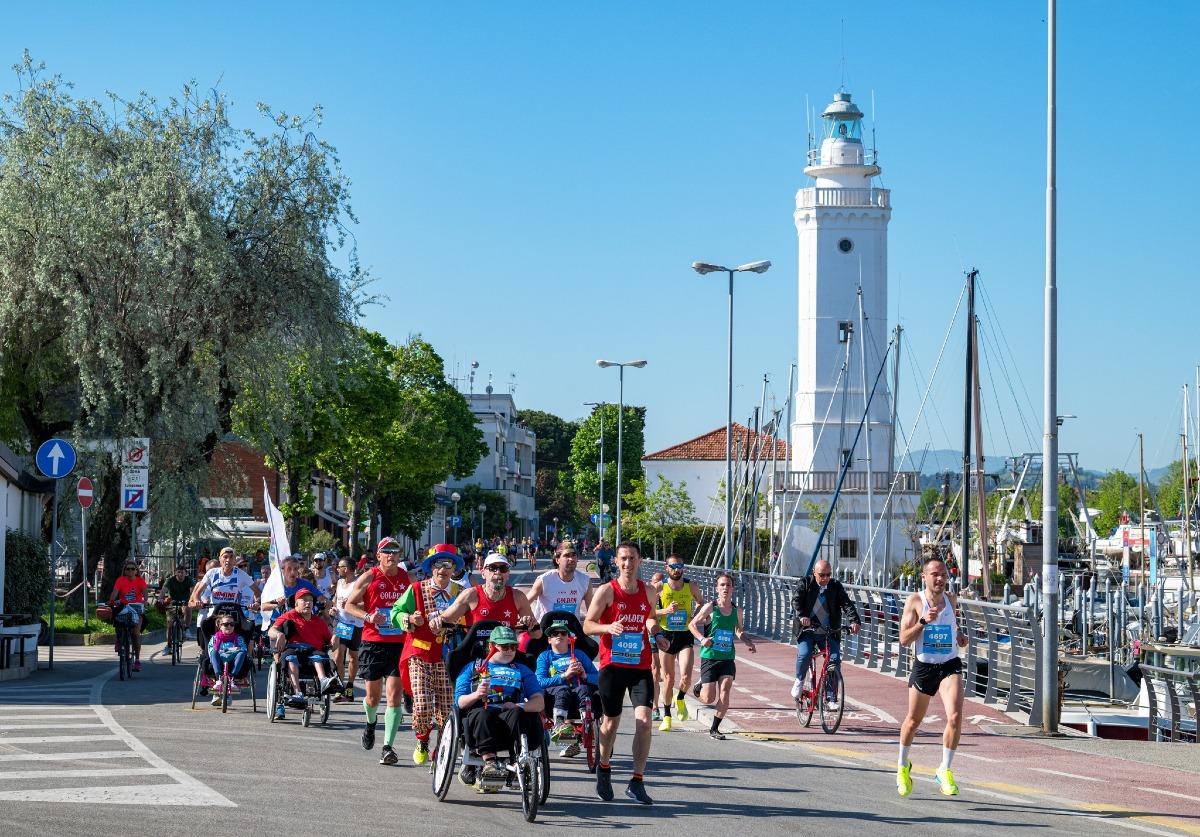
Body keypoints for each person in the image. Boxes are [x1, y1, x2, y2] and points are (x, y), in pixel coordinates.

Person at [583, 541, 671, 805]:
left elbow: (651, 617)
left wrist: (657, 635)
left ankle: (637, 781)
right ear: (616, 561)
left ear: (640, 561)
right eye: (623, 558)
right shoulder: (607, 591)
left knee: (644, 722)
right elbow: (587, 625)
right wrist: (608, 628)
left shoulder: (649, 591)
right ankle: (604, 768)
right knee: (611, 724)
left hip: (640, 666)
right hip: (612, 667)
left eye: (632, 558)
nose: (627, 563)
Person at [896, 557, 968, 797]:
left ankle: (944, 769)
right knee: (912, 722)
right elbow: (904, 639)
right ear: (924, 577)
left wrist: (959, 635)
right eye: (935, 574)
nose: (940, 579)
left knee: (955, 717)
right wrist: (923, 622)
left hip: (949, 665)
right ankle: (902, 766)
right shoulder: (915, 601)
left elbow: (952, 624)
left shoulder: (951, 599)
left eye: (944, 575)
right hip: (925, 668)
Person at [390, 544, 465, 765]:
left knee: (446, 710)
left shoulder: (461, 593)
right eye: (438, 564)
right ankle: (422, 739)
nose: (443, 569)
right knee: (422, 704)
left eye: (448, 564)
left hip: (448, 657)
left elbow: (472, 618)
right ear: (431, 567)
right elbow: (396, 612)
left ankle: (440, 751)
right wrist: (409, 619)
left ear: (454, 568)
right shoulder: (416, 589)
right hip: (419, 654)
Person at [342, 536, 412, 766]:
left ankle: (388, 747)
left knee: (394, 696)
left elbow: (419, 604)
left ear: (399, 556)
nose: (391, 555)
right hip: (373, 642)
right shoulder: (369, 576)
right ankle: (371, 723)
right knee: (372, 699)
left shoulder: (409, 579)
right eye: (386, 552)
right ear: (379, 555)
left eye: (395, 552)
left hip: (399, 643)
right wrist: (369, 616)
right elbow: (349, 605)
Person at [453, 625, 544, 791]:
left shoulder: (521, 669)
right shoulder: (472, 667)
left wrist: (519, 705)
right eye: (504, 646)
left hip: (509, 716)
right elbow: (460, 702)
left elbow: (539, 702)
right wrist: (476, 694)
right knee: (483, 714)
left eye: (513, 647)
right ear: (491, 646)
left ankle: (519, 761)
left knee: (518, 712)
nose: (509, 651)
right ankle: (489, 763)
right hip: (481, 714)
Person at [688, 573, 756, 739]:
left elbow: (738, 630)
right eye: (722, 585)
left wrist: (747, 640)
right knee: (708, 698)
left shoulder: (736, 611)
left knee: (725, 691)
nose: (725, 588)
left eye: (728, 585)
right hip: (710, 657)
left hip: (727, 657)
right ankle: (700, 685)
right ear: (717, 589)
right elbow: (692, 624)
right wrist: (702, 639)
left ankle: (714, 729)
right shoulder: (710, 608)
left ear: (733, 589)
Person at [789, 559, 860, 710]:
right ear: (814, 573)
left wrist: (854, 621)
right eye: (821, 575)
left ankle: (831, 697)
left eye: (828, 575)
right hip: (806, 630)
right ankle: (799, 680)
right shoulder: (805, 583)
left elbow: (847, 604)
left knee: (834, 659)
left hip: (827, 631)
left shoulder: (835, 586)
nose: (825, 578)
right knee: (805, 654)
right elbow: (796, 601)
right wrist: (801, 616)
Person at [429, 554, 541, 640]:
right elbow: (445, 619)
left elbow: (537, 634)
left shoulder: (518, 597)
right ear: (483, 573)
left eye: (503, 568)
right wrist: (437, 622)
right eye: (492, 568)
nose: (498, 572)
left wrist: (532, 625)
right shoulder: (470, 595)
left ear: (507, 574)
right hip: (476, 655)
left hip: (506, 654)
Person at [655, 555, 706, 731]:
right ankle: (667, 716)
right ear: (666, 568)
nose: (676, 569)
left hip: (685, 635)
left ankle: (681, 697)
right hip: (666, 635)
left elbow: (700, 603)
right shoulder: (659, 587)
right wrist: (666, 611)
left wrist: (695, 617)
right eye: (673, 566)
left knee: (686, 677)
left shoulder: (691, 585)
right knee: (668, 679)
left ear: (683, 567)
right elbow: (650, 612)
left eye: (679, 566)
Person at [535, 619, 599, 758]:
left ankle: (588, 724)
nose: (559, 635)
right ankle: (559, 725)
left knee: (584, 689)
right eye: (555, 634)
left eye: (563, 633)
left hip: (577, 694)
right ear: (549, 640)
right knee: (563, 690)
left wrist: (584, 675)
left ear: (569, 639)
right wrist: (565, 675)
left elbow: (598, 678)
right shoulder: (545, 657)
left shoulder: (579, 655)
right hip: (554, 695)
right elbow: (539, 682)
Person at [269, 589, 340, 706]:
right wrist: (279, 634)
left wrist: (334, 638)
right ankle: (297, 692)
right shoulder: (289, 616)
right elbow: (272, 630)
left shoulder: (319, 621)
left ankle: (324, 681)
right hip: (294, 649)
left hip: (312, 651)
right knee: (291, 658)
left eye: (310, 600)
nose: (308, 603)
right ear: (296, 603)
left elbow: (329, 641)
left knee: (318, 657)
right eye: (304, 600)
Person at [190, 546, 257, 633]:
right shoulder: (212, 573)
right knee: (210, 639)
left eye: (231, 557)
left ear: (234, 560)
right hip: (215, 616)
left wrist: (257, 603)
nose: (228, 560)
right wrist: (197, 601)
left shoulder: (241, 574)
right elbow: (197, 593)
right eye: (225, 557)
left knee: (242, 637)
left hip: (233, 616)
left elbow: (258, 592)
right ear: (220, 559)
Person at [526, 542, 593, 620]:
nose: (571, 559)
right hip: (546, 627)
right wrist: (530, 619)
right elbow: (524, 604)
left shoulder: (585, 581)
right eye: (567, 556)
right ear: (557, 560)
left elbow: (592, 612)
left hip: (571, 627)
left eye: (574, 555)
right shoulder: (544, 580)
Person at [331, 557, 363, 703]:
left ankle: (350, 685)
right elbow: (335, 599)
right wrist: (333, 608)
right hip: (342, 623)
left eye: (339, 567)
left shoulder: (358, 583)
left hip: (356, 624)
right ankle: (339, 687)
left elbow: (366, 603)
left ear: (346, 569)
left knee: (353, 657)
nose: (337, 569)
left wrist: (351, 605)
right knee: (338, 656)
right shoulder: (339, 582)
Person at [108, 560, 148, 671]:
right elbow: (114, 593)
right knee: (117, 616)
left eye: (132, 569)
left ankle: (137, 660)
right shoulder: (120, 580)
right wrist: (111, 600)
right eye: (128, 569)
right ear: (124, 571)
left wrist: (145, 601)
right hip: (124, 606)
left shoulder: (140, 581)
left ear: (136, 571)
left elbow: (145, 593)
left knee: (135, 634)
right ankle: (119, 638)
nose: (130, 571)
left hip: (136, 608)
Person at [207, 614, 249, 705]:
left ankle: (232, 680)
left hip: (233, 662)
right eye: (226, 624)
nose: (229, 626)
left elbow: (243, 649)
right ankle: (218, 682)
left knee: (242, 653)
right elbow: (211, 651)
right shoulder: (214, 638)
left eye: (232, 624)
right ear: (220, 626)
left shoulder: (239, 638)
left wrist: (229, 650)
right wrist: (230, 649)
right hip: (218, 662)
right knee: (214, 652)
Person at [159, 564, 195, 640]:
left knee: (188, 609)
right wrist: (161, 599)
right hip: (172, 602)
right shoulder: (170, 580)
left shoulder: (189, 580)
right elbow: (163, 591)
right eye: (178, 572)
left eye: (182, 572)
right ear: (175, 573)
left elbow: (192, 592)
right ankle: (169, 644)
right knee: (170, 624)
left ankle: (186, 629)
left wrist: (192, 599)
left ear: (185, 573)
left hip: (185, 602)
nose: (180, 574)